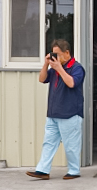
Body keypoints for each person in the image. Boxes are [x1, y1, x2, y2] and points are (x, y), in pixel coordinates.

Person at [27, 39, 86, 180]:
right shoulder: (54, 69)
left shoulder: (77, 68)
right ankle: (42, 170)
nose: (56, 58)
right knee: (48, 143)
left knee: (71, 146)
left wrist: (59, 68)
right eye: (53, 54)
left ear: (67, 53)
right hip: (53, 113)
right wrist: (46, 64)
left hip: (70, 113)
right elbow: (42, 79)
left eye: (58, 54)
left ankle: (74, 170)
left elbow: (72, 83)